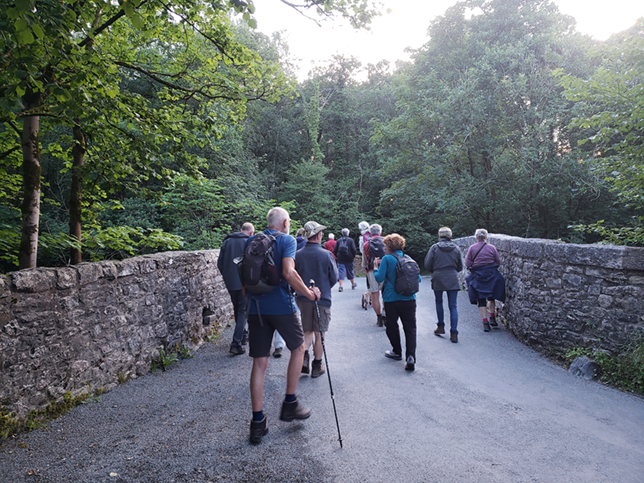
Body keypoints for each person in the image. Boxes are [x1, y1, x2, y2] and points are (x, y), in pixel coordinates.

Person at [244, 207, 321, 444]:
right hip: (282, 307)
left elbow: (244, 278)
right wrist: (309, 294)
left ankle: (257, 423)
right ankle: (290, 403)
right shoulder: (286, 240)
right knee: (298, 349)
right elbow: (289, 272)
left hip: (256, 308)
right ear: (286, 222)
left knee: (259, 363)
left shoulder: (251, 242)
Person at [295, 221, 338, 378]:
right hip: (322, 299)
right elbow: (334, 277)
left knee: (307, 331)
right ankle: (317, 366)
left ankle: (304, 359)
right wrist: (324, 287)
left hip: (303, 298)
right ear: (319, 236)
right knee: (320, 333)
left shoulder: (298, 254)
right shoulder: (326, 255)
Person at [373, 234, 421, 371]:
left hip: (391, 299)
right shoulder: (409, 259)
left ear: (388, 247)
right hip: (409, 299)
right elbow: (418, 280)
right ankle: (411, 356)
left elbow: (379, 278)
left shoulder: (387, 259)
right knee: (410, 328)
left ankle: (397, 351)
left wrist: (376, 267)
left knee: (392, 325)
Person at [217, 222, 254, 355]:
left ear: (241, 229)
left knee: (237, 308)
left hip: (230, 282)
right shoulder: (249, 242)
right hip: (243, 282)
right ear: (250, 233)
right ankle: (236, 343)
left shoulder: (227, 241)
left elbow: (219, 263)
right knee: (243, 310)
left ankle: (243, 335)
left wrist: (227, 276)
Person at [424, 227, 463, 343]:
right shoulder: (456, 248)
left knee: (439, 301)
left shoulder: (434, 248)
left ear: (439, 236)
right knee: (453, 306)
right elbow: (460, 266)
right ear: (450, 235)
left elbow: (427, 264)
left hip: (438, 276)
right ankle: (454, 332)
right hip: (452, 276)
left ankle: (440, 326)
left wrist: (435, 271)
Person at [465, 228, 506, 332]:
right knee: (491, 296)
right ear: (486, 237)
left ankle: (485, 322)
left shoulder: (472, 248)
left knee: (481, 298)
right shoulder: (492, 248)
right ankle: (492, 317)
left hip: (478, 275)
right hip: (490, 274)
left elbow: (467, 263)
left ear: (476, 237)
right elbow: (497, 262)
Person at [362, 224, 386, 326]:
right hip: (386, 270)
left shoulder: (366, 244)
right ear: (380, 232)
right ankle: (385, 314)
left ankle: (379, 317)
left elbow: (364, 263)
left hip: (372, 270)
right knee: (386, 295)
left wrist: (367, 272)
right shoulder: (387, 242)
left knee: (375, 296)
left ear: (370, 233)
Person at [334, 228, 357, 292]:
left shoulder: (339, 240)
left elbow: (335, 250)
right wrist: (353, 256)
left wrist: (338, 256)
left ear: (342, 233)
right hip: (349, 258)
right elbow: (354, 250)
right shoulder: (351, 240)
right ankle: (353, 284)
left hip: (340, 258)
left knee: (341, 271)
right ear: (348, 233)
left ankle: (341, 286)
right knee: (350, 271)